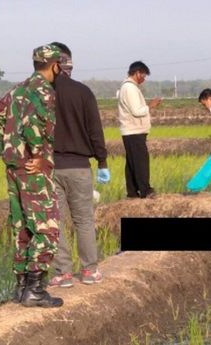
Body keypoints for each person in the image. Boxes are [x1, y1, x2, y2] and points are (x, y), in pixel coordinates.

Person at [0, 44, 63, 308]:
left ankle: (21, 289)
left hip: (15, 166)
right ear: (55, 65)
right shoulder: (44, 91)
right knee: (47, 227)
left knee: (22, 226)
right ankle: (35, 291)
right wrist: (38, 155)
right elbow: (34, 122)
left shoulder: (17, 89)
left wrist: (7, 151)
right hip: (33, 168)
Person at [41, 42, 108, 288]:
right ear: (68, 64)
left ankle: (63, 273)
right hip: (79, 167)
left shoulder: (42, 93)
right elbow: (95, 131)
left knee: (55, 221)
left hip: (50, 167)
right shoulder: (83, 92)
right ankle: (90, 271)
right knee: (84, 220)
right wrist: (102, 161)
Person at [117, 61, 162, 199]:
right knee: (140, 161)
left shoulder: (129, 87)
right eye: (143, 75)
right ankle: (145, 190)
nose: (144, 78)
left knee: (132, 162)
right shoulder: (130, 88)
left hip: (131, 131)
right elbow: (137, 111)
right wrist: (151, 106)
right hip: (134, 130)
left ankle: (132, 192)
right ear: (137, 73)